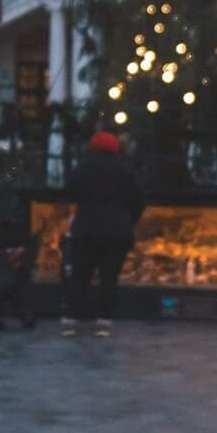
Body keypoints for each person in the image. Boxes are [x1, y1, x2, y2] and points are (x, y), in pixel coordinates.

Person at [61, 129, 145, 337]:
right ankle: (103, 323)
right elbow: (139, 201)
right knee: (109, 278)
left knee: (80, 276)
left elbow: (69, 192)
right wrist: (129, 221)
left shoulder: (83, 167)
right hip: (117, 233)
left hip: (85, 232)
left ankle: (71, 321)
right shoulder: (126, 169)